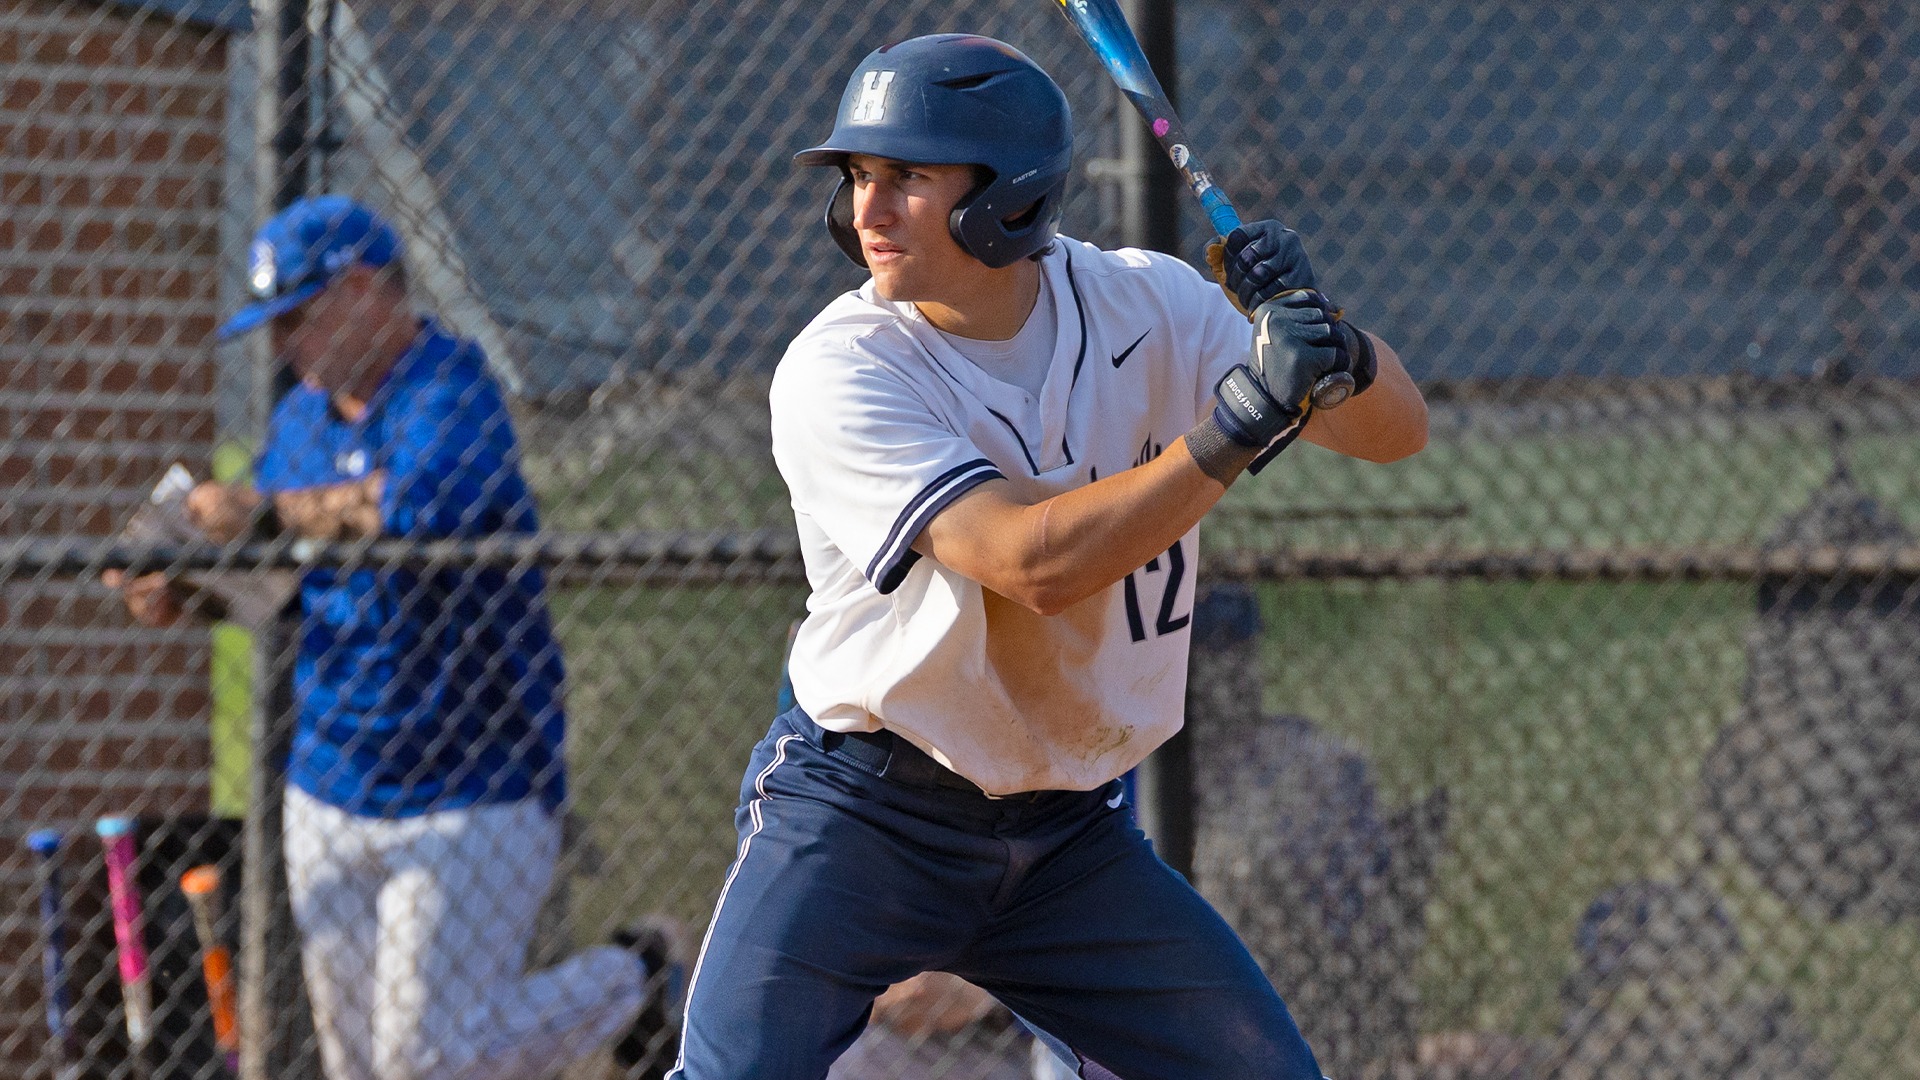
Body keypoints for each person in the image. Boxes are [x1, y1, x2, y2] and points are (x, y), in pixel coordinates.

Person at [668, 33, 1427, 1080]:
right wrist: (1244, 417)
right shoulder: (843, 368)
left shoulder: (1145, 302)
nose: (867, 211)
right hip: (867, 811)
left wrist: (1327, 339)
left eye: (907, 178)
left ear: (1009, 199)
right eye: (857, 178)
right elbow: (1033, 565)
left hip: (1069, 837)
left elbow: (1394, 430)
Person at [106, 194, 681, 1080]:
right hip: (332, 777)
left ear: (365, 289)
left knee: (431, 1059)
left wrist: (258, 511)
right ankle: (633, 983)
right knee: (361, 1062)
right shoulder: (300, 419)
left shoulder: (449, 387)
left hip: (473, 782)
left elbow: (419, 513)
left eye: (297, 316)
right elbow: (276, 582)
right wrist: (182, 592)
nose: (282, 344)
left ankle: (638, 974)